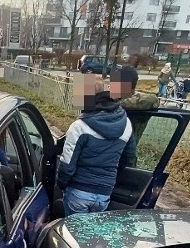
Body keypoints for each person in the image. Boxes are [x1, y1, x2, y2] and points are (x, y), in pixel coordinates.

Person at [57, 74, 135, 215]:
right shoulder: (126, 123)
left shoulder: (79, 127)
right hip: (104, 194)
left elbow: (67, 165)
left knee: (74, 235)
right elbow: (128, 158)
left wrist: (61, 185)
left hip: (79, 192)